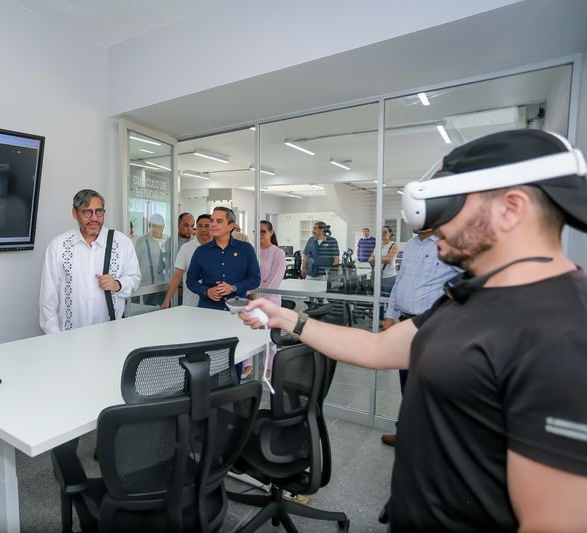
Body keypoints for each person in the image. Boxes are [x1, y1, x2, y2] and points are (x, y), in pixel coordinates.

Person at [238, 129, 587, 531]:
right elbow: (378, 348)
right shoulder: (467, 297)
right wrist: (287, 319)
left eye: (452, 205)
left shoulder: (564, 335)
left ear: (511, 209)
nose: (436, 224)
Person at [379, 228, 460, 447]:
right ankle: (406, 432)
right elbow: (400, 281)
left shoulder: (448, 244)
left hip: (432, 325)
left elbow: (469, 278)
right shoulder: (411, 245)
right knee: (408, 383)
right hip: (406, 323)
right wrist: (389, 314)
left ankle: (434, 439)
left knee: (429, 384)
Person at [39, 189, 141, 333]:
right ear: (75, 213)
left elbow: (134, 279)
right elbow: (48, 300)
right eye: (87, 212)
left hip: (110, 336)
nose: (94, 218)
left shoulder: (122, 242)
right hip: (69, 339)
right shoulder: (58, 246)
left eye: (99, 212)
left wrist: (117, 284)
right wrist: (55, 337)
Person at [186, 207, 260, 311]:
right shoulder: (201, 251)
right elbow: (190, 281)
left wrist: (233, 287)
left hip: (237, 310)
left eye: (219, 221)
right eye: (212, 220)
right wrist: (206, 291)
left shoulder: (246, 249)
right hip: (208, 311)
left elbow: (255, 280)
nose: (213, 224)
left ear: (231, 226)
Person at [241, 220, 286, 379]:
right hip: (252, 297)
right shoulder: (252, 252)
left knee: (268, 334)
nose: (260, 235)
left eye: (263, 231)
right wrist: (249, 293)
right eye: (257, 232)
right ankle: (248, 364)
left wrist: (260, 297)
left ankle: (269, 366)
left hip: (270, 299)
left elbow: (274, 280)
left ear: (271, 232)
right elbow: (246, 276)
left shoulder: (278, 253)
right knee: (248, 331)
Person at [161, 214, 212, 309]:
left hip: (214, 306)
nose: (203, 229)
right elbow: (177, 275)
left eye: (207, 226)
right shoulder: (186, 248)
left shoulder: (220, 249)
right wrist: (167, 299)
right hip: (190, 305)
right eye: (200, 226)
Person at [134, 213, 168, 304]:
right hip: (146, 285)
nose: (156, 229)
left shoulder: (168, 240)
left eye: (159, 226)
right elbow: (134, 262)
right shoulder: (142, 241)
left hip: (162, 284)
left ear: (163, 227)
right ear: (149, 226)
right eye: (153, 226)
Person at [369, 225, 399, 296]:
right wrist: (371, 261)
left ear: (390, 233)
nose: (383, 234)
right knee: (377, 301)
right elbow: (372, 262)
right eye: (381, 232)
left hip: (388, 278)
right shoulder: (377, 246)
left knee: (387, 300)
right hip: (377, 277)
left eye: (385, 232)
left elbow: (389, 259)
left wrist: (374, 258)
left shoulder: (394, 245)